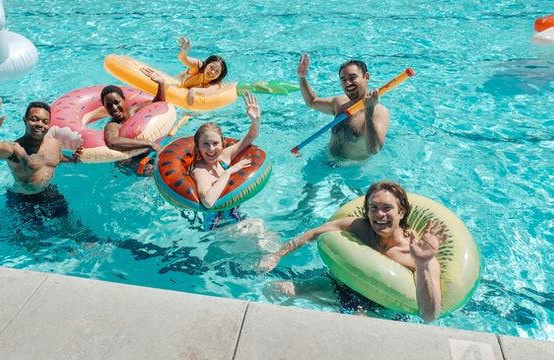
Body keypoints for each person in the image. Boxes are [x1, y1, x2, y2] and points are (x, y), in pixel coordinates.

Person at [258, 181, 448, 322]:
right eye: (374, 208)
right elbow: (312, 234)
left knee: (353, 327)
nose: (380, 214)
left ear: (402, 211)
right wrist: (277, 255)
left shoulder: (417, 252)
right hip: (339, 287)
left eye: (387, 208)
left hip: (380, 309)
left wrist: (423, 263)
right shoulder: (359, 227)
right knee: (275, 288)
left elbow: (429, 315)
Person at [0, 96, 82, 218]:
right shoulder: (16, 149)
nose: (40, 124)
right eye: (34, 119)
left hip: (48, 191)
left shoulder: (54, 144)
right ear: (25, 120)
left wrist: (72, 160)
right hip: (23, 198)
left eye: (45, 121)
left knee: (67, 221)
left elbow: (57, 158)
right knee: (33, 235)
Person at [297, 54, 390, 161]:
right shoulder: (340, 103)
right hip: (325, 160)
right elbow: (312, 102)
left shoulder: (379, 112)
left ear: (366, 77)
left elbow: (374, 150)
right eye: (343, 80)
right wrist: (302, 77)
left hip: (350, 171)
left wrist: (369, 111)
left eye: (352, 77)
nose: (348, 83)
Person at [191, 92, 260, 230]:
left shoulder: (225, 156)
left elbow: (251, 136)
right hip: (218, 227)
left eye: (215, 143)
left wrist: (255, 120)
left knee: (262, 228)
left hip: (235, 217)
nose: (211, 149)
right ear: (198, 146)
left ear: (223, 143)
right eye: (205, 144)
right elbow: (208, 202)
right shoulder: (201, 171)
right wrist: (228, 172)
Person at [99, 71, 166, 176]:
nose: (114, 108)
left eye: (117, 102)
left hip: (149, 151)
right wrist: (149, 144)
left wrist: (161, 84)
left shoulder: (133, 111)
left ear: (124, 100)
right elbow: (112, 141)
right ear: (105, 107)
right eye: (109, 105)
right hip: (131, 160)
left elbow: (157, 104)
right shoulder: (113, 125)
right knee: (159, 172)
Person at [176, 36, 228, 106]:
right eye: (211, 67)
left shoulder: (216, 82)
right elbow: (183, 59)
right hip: (179, 82)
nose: (212, 72)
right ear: (206, 64)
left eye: (217, 72)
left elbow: (209, 91)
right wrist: (184, 51)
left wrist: (193, 90)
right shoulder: (197, 66)